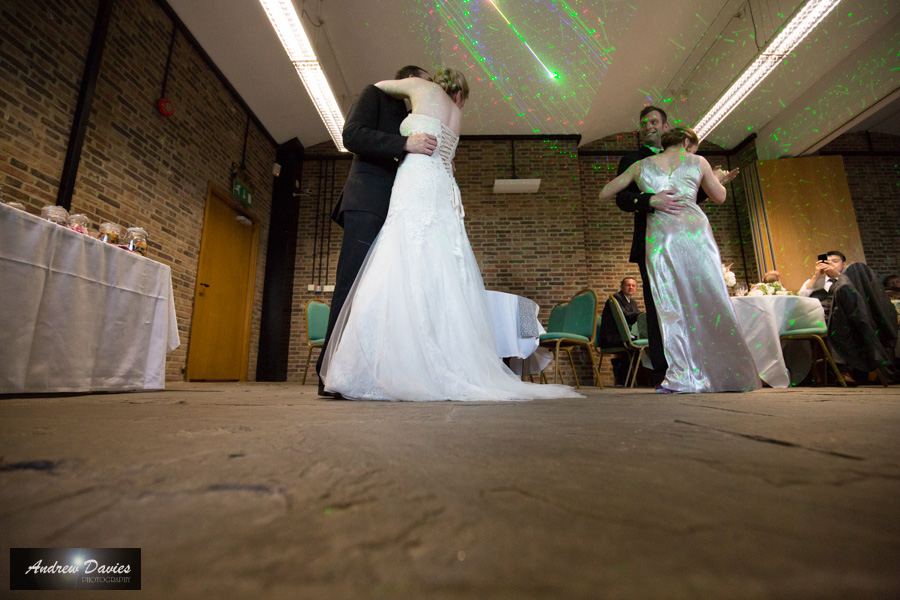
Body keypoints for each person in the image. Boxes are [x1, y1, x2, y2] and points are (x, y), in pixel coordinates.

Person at [320, 68, 580, 401]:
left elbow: (393, 98)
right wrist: (411, 144)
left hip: (414, 186)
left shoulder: (420, 98)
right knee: (365, 280)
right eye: (424, 78)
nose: (430, 85)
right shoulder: (414, 105)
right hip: (385, 195)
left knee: (403, 269)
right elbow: (355, 130)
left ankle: (392, 364)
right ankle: (336, 369)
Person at [599, 127, 759, 393]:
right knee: (710, 299)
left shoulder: (641, 165)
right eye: (692, 147)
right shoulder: (698, 161)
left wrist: (648, 196)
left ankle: (682, 376)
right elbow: (719, 197)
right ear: (687, 142)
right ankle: (729, 372)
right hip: (695, 234)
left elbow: (605, 193)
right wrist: (717, 179)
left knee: (669, 306)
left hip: (661, 240)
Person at [315, 66, 438, 397]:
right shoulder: (375, 95)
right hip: (367, 201)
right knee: (350, 286)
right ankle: (327, 373)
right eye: (427, 83)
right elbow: (352, 135)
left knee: (377, 295)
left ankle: (362, 372)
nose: (430, 92)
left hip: (397, 210)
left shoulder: (412, 116)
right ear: (409, 79)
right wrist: (404, 143)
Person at [598, 277, 643, 385]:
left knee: (641, 342)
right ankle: (625, 377)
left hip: (622, 335)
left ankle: (633, 379)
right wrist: (642, 314)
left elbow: (634, 318)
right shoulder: (615, 299)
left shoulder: (633, 302)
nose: (630, 287)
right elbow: (625, 316)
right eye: (628, 285)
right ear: (621, 286)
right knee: (636, 345)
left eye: (633, 285)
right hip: (612, 337)